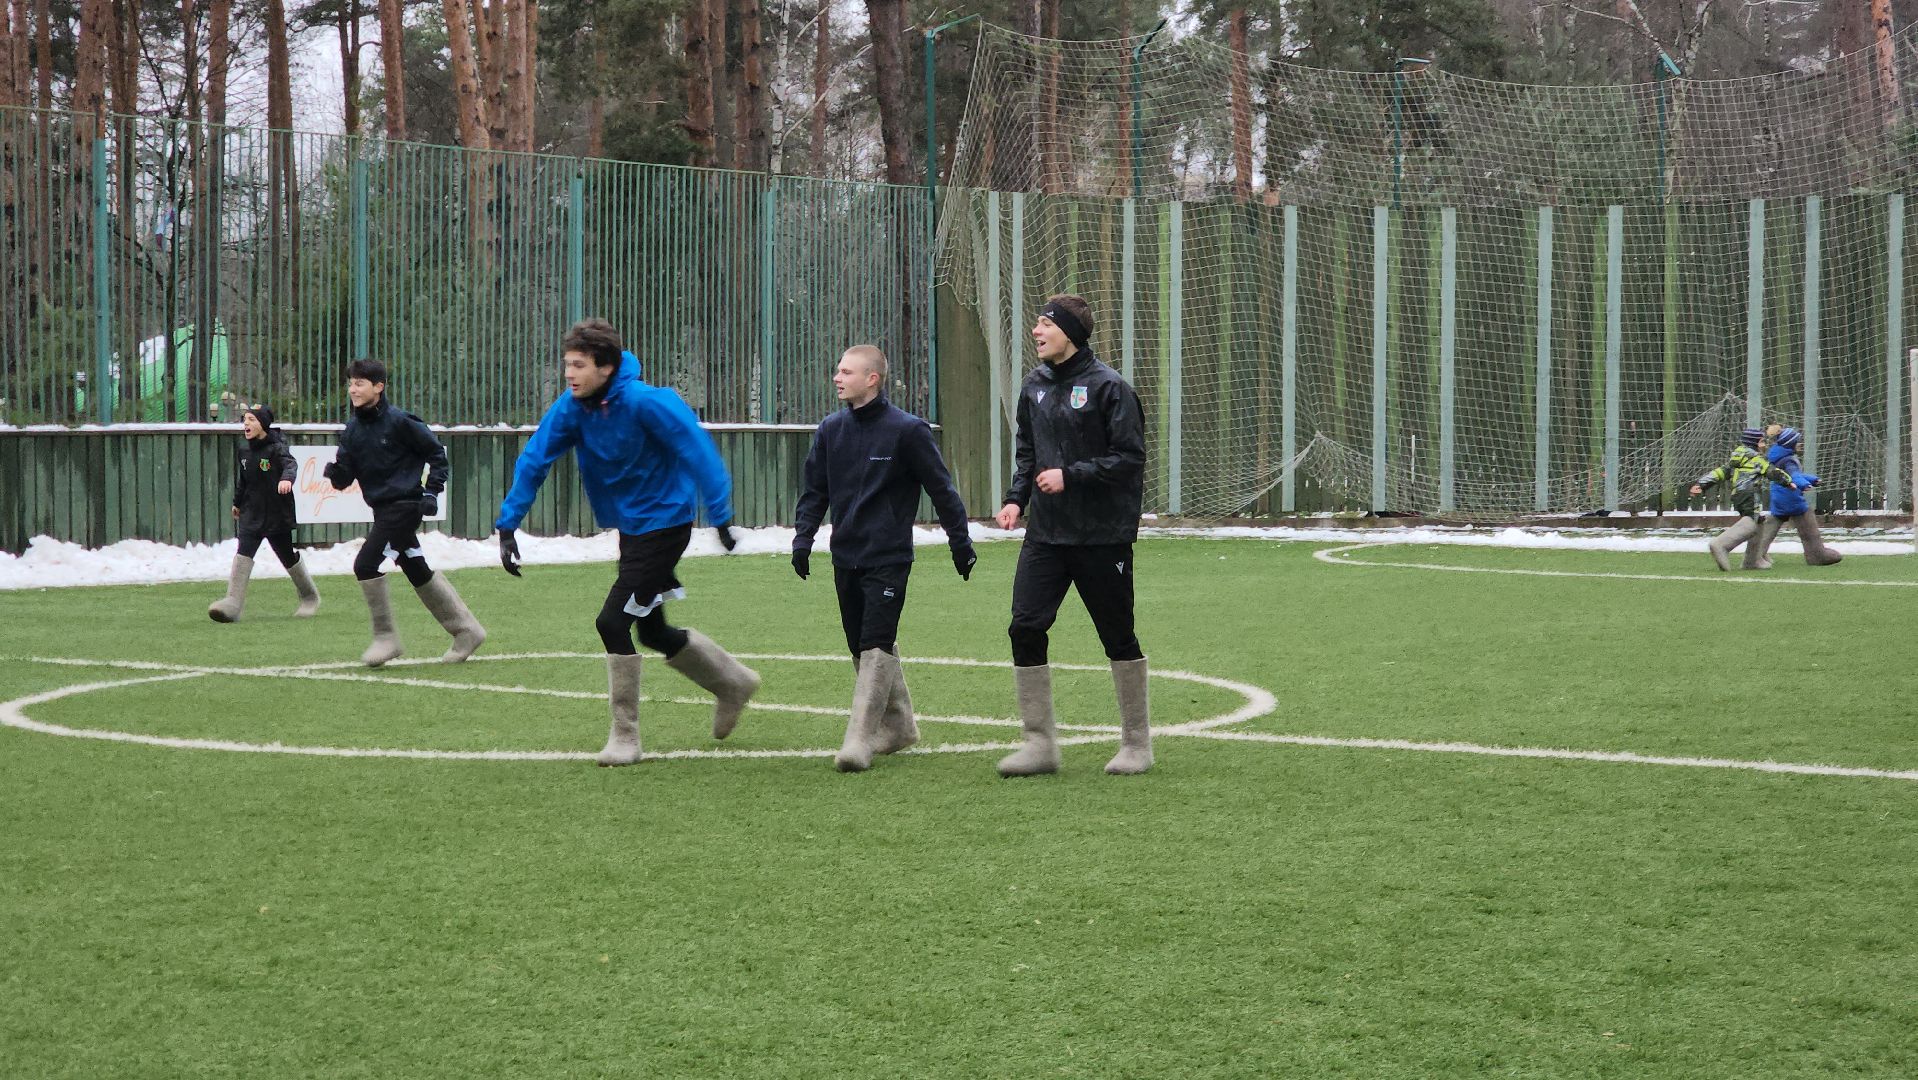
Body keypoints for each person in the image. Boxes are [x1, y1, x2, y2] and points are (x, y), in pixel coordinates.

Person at [495, 318, 760, 767]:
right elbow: (535, 458)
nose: (569, 374)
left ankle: (625, 737)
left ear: (606, 367)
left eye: (578, 365)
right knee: (652, 631)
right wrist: (508, 525)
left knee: (612, 622)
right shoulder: (573, 408)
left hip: (667, 526)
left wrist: (720, 516)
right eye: (567, 364)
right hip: (633, 530)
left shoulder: (647, 402)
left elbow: (698, 451)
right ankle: (733, 683)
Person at [792, 345, 976, 773]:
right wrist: (803, 539)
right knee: (859, 642)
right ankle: (900, 726)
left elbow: (942, 490)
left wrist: (960, 543)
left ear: (872, 378)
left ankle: (859, 739)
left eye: (846, 372)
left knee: (876, 641)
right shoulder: (831, 430)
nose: (837, 378)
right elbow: (815, 491)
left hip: (889, 557)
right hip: (845, 556)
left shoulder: (908, 431)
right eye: (837, 371)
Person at [992, 294, 1152, 777]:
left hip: (1102, 536)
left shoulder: (1110, 388)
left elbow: (1129, 458)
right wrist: (1016, 499)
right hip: (1046, 535)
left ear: (1071, 333)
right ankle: (1039, 745)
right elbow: (1027, 453)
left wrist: (1071, 475)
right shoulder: (1033, 386)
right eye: (1037, 323)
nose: (1036, 332)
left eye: (1046, 324)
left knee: (1116, 635)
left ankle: (1137, 744)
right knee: (1025, 626)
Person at [323, 358, 487, 667]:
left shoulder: (401, 422)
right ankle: (467, 631)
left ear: (378, 387)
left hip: (405, 507)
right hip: (382, 510)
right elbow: (345, 478)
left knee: (365, 565)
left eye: (359, 383)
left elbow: (436, 454)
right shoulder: (352, 429)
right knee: (415, 568)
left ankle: (386, 638)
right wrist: (336, 473)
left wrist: (431, 492)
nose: (353, 389)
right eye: (351, 383)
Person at [207, 404, 321, 621]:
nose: (246, 424)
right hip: (252, 514)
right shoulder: (244, 452)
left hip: (276, 515)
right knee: (243, 553)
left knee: (287, 556)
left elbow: (290, 465)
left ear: (263, 425)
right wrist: (237, 503)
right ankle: (232, 604)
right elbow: (244, 481)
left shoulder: (277, 448)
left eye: (252, 420)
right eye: (245, 420)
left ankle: (309, 597)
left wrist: (286, 479)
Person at [1688, 426, 1796, 572]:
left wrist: (1702, 484)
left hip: (1737, 495)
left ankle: (1752, 560)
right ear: (1754, 443)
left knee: (1759, 521)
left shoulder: (1736, 459)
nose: (1764, 445)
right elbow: (1772, 472)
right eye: (1762, 441)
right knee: (1752, 522)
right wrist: (1788, 481)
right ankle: (1721, 544)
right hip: (1750, 494)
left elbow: (1720, 472)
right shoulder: (1757, 459)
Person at [1748, 425, 1842, 568]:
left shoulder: (1778, 456)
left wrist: (1811, 479)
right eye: (1798, 442)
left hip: (1778, 497)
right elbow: (1794, 475)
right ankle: (1817, 555)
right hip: (1790, 497)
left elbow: (1790, 475)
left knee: (1770, 527)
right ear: (1791, 444)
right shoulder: (1789, 460)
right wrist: (1804, 484)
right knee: (1807, 524)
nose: (1800, 444)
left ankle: (1755, 555)